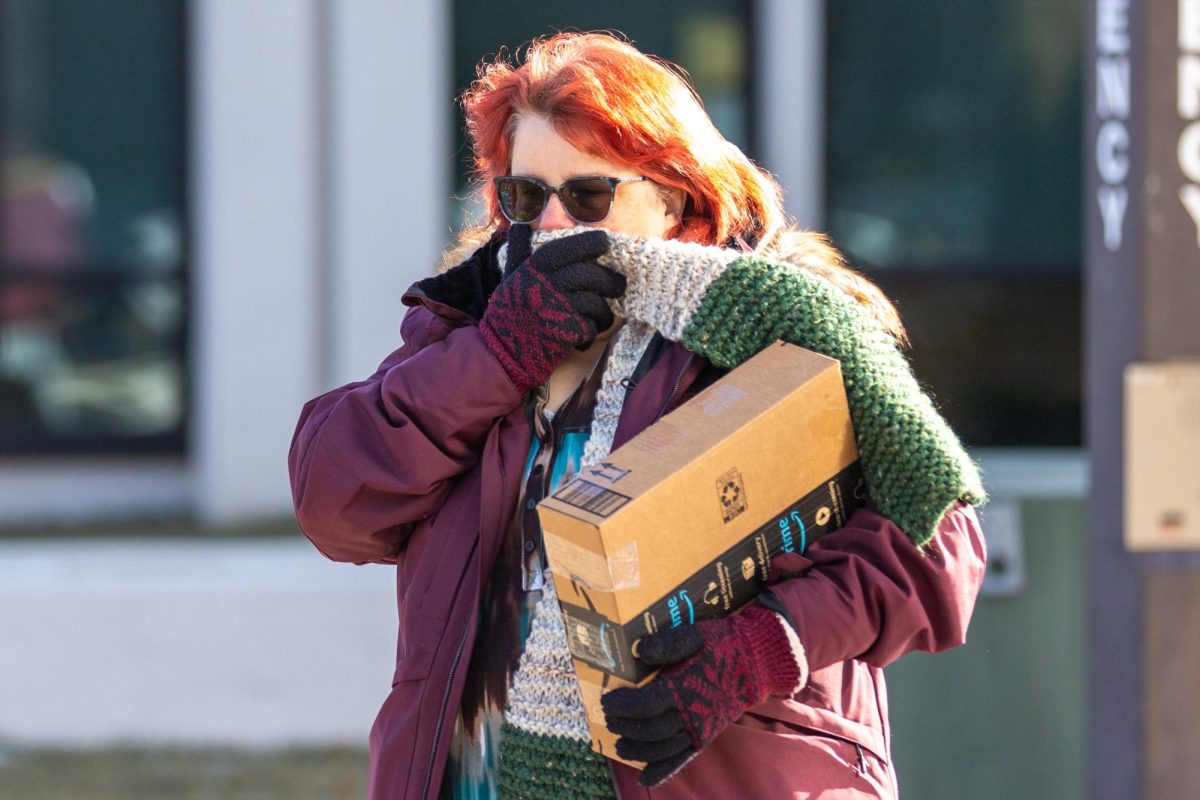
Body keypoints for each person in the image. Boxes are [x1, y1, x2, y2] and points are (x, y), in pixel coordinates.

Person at [289, 32, 987, 800]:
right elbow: (335, 504)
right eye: (524, 197)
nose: (551, 224)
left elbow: (939, 545)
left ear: (674, 193)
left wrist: (765, 646)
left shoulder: (775, 326)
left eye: (589, 194)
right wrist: (495, 358)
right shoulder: (473, 323)